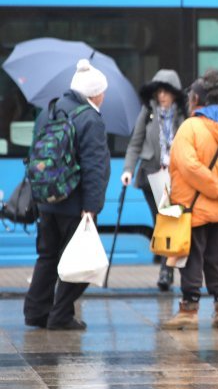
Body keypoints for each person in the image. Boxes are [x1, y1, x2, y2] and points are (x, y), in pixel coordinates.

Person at [161, 69, 218, 330]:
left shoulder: (190, 127)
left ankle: (189, 311)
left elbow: (187, 166)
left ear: (196, 99)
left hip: (193, 207)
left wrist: (216, 187)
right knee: (216, 257)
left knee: (191, 258)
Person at [23, 59, 111, 330]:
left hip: (47, 201)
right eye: (102, 92)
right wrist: (92, 207)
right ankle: (60, 316)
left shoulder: (48, 112)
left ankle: (36, 313)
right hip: (74, 205)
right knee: (81, 261)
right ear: (94, 93)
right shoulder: (90, 119)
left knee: (47, 257)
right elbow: (95, 167)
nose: (103, 97)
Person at [121, 69, 187, 292]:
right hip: (152, 176)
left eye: (166, 92)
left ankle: (171, 269)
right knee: (162, 221)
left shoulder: (184, 116)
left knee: (174, 222)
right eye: (159, 92)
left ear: (175, 94)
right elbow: (135, 143)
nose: (162, 97)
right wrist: (128, 169)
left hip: (177, 178)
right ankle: (166, 270)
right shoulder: (148, 112)